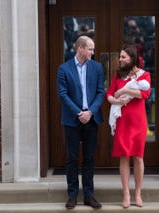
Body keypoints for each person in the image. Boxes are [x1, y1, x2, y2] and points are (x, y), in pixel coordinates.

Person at [57, 35, 105, 209]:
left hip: (91, 119)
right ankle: (72, 195)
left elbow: (101, 92)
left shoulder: (97, 67)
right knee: (71, 158)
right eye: (91, 49)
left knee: (89, 158)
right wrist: (79, 112)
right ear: (80, 49)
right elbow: (62, 94)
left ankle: (89, 195)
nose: (93, 52)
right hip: (72, 119)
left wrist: (90, 112)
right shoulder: (64, 69)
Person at [105, 44, 151, 208]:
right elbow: (109, 94)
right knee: (124, 156)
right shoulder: (118, 75)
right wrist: (116, 100)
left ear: (132, 59)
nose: (120, 59)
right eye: (120, 56)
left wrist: (126, 90)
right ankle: (125, 194)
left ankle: (137, 194)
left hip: (138, 122)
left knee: (138, 157)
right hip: (122, 121)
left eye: (124, 57)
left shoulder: (144, 75)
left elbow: (144, 94)